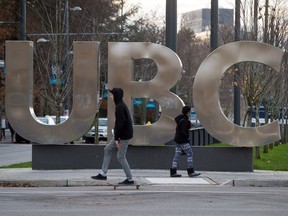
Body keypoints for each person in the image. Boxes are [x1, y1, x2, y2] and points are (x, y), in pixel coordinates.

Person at [91, 88, 134, 184]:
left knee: (121, 157)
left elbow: (120, 124)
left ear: (116, 96)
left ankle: (130, 179)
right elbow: (119, 124)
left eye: (111, 94)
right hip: (121, 135)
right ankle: (103, 174)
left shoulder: (120, 107)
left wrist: (117, 139)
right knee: (107, 149)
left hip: (123, 136)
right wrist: (116, 137)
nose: (110, 96)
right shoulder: (120, 106)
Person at [170, 105, 201, 177]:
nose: (190, 113)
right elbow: (183, 132)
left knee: (177, 155)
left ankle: (173, 171)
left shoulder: (180, 118)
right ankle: (190, 171)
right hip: (183, 141)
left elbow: (178, 124)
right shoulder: (185, 121)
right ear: (188, 112)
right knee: (190, 153)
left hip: (177, 140)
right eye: (190, 112)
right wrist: (188, 138)